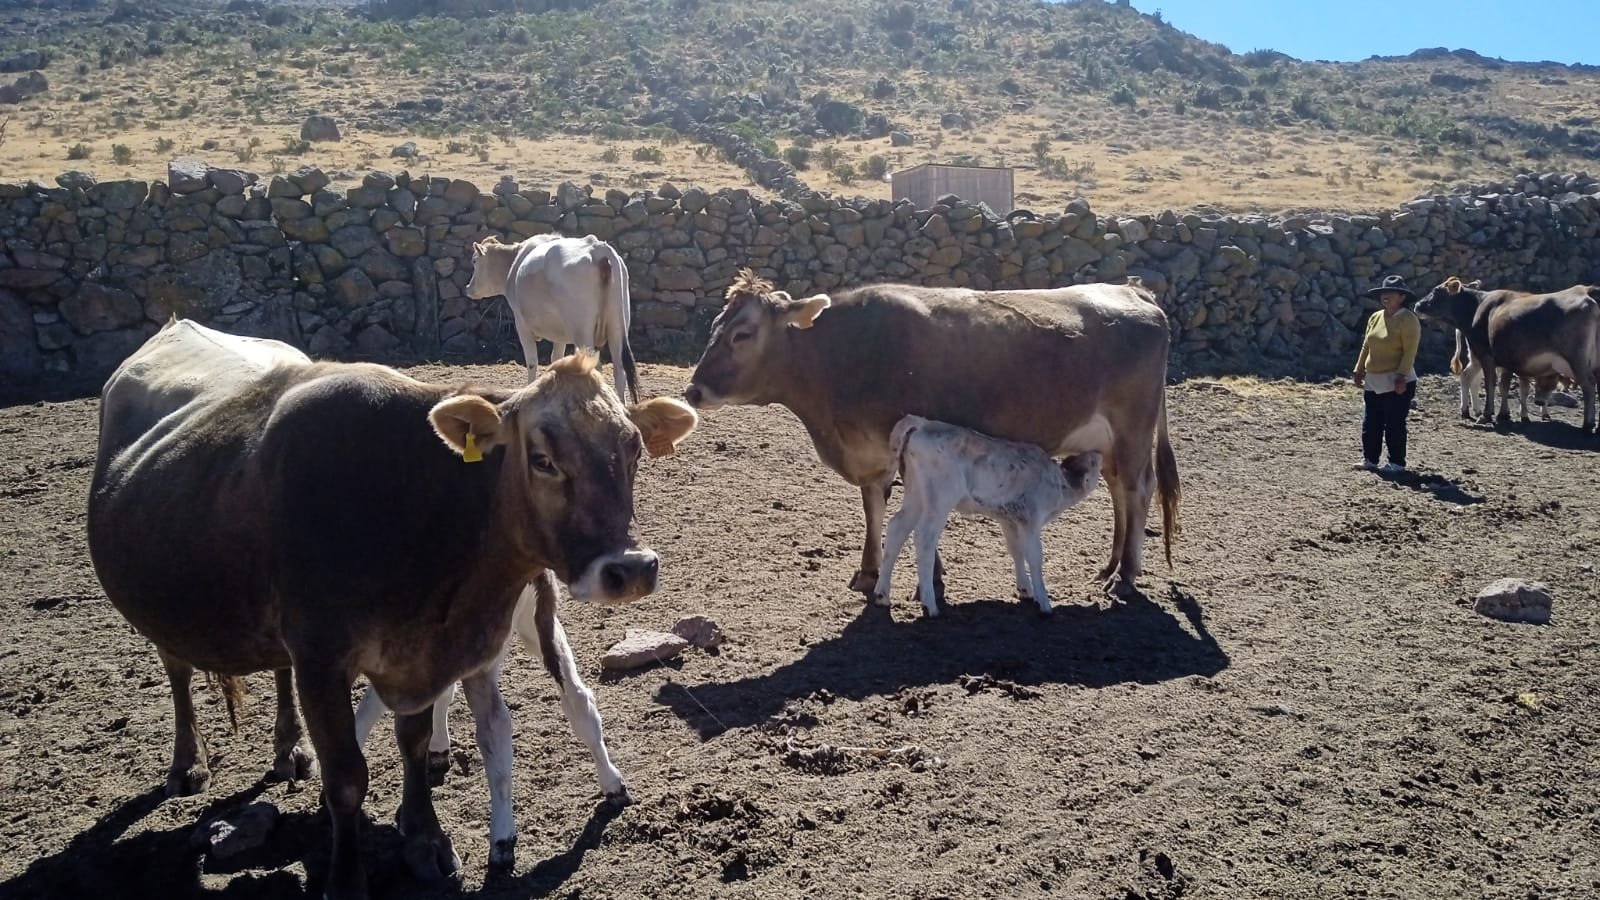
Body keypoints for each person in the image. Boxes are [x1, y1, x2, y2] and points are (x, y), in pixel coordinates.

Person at [1352, 275, 1421, 472]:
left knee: (1394, 423)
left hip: (1396, 378)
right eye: (1384, 293)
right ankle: (1370, 459)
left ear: (1402, 297)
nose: (1386, 296)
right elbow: (1367, 345)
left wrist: (1401, 376)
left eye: (1391, 293)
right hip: (1374, 378)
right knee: (1371, 422)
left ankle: (1396, 462)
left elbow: (1410, 351)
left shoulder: (1408, 320)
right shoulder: (1376, 317)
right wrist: (1359, 369)